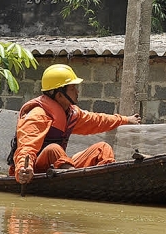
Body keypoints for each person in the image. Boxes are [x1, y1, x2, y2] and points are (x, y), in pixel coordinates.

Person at [8, 64, 141, 184]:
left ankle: (109, 180)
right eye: (72, 88)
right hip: (35, 170)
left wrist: (125, 119)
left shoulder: (71, 113)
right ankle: (75, 179)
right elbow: (26, 148)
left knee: (102, 148)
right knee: (53, 149)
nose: (77, 92)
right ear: (59, 95)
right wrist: (23, 170)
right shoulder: (37, 115)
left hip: (61, 167)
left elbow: (98, 120)